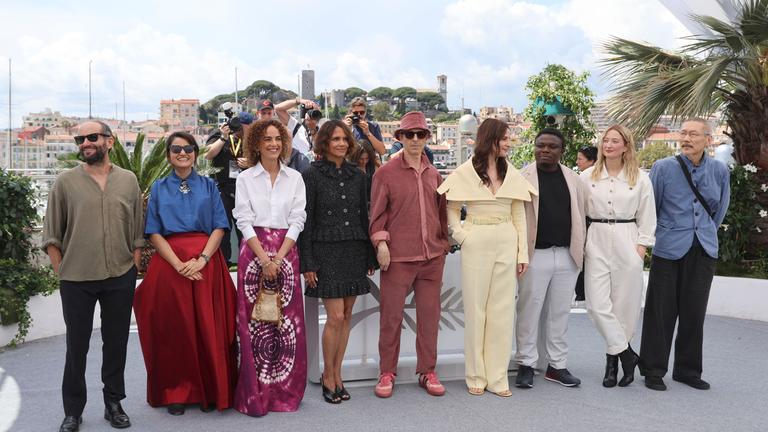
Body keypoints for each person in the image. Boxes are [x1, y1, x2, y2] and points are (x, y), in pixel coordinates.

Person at [42, 120, 143, 432]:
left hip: (120, 275)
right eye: (80, 139)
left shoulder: (128, 180)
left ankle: (114, 404)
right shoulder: (65, 182)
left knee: (116, 344)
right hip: (76, 279)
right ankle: (73, 411)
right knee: (77, 346)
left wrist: (134, 264)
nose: (85, 143)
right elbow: (51, 233)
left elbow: (137, 229)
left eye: (92, 137)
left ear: (109, 141)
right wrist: (61, 270)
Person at [134, 132, 237, 416]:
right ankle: (176, 391)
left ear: (195, 153)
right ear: (168, 154)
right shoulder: (158, 188)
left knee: (209, 327)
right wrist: (178, 264)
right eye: (176, 149)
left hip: (207, 264)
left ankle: (211, 390)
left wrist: (202, 259)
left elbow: (220, 226)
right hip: (170, 265)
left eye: (188, 148)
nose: (183, 153)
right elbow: (153, 231)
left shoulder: (209, 186)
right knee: (175, 330)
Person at [437, 118, 535, 396]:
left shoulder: (511, 173)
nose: (508, 143)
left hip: (506, 239)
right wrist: (462, 236)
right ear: (490, 139)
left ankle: (498, 378)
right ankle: (476, 376)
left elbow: (519, 214)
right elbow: (451, 208)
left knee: (502, 313)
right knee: (476, 310)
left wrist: (522, 253)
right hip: (476, 239)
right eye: (504, 138)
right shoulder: (465, 172)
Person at [639, 118, 730, 391]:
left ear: (708, 140)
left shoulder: (719, 170)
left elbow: (720, 209)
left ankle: (687, 371)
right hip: (669, 247)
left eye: (693, 134)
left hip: (703, 248)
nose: (686, 138)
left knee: (694, 312)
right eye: (683, 133)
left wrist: (704, 232)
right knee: (660, 311)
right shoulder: (663, 167)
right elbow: (652, 209)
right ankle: (653, 370)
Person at [369, 111, 450, 398]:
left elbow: (441, 213)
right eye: (409, 134)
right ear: (400, 137)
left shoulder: (435, 174)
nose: (415, 139)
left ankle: (427, 371)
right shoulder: (385, 173)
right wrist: (381, 244)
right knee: (391, 318)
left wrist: (443, 243)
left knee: (430, 318)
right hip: (398, 258)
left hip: (431, 258)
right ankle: (386, 372)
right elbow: (376, 215)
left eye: (421, 134)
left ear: (427, 137)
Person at [232, 118, 308, 416]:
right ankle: (256, 390)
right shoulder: (245, 179)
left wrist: (279, 257)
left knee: (286, 323)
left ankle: (284, 391)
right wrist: (264, 258)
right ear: (256, 144)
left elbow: (298, 219)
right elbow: (243, 219)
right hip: (254, 254)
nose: (273, 144)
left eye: (278, 138)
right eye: (267, 139)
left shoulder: (295, 178)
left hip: (287, 254)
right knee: (255, 324)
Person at [299, 120, 378, 403]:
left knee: (346, 316)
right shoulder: (311, 175)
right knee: (335, 317)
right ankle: (327, 376)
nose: (342, 144)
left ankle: (337, 374)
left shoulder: (358, 176)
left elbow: (363, 218)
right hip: (325, 253)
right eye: (335, 139)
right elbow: (305, 221)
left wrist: (369, 253)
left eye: (345, 139)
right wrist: (308, 262)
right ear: (324, 143)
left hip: (354, 250)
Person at [580, 124, 656, 388]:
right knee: (596, 305)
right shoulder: (587, 176)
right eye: (605, 140)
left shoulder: (640, 178)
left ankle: (612, 366)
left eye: (615, 141)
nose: (608, 145)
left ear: (626, 146)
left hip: (628, 239)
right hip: (596, 239)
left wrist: (641, 249)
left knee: (625, 307)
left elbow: (648, 215)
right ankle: (628, 354)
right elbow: (578, 212)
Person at [514, 128, 589, 389]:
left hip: (567, 256)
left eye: (552, 146)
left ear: (562, 151)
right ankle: (526, 364)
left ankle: (557, 365)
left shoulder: (574, 179)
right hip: (535, 255)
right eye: (540, 145)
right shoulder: (521, 178)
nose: (545, 150)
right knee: (529, 311)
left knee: (560, 313)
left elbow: (581, 214)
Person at [205, 110, 254, 264]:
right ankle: (223, 263)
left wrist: (250, 163)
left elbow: (264, 162)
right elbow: (207, 154)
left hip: (245, 191)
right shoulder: (220, 133)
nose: (242, 132)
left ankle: (247, 262)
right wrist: (223, 138)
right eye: (240, 128)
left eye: (246, 128)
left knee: (245, 229)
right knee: (222, 229)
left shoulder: (254, 139)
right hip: (222, 188)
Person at [573, 146, 598, 301]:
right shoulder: (583, 177)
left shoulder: (586, 177)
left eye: (580, 159)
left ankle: (582, 292)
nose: (577, 162)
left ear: (592, 161)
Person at [348, 139, 380, 205]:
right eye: (361, 159)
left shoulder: (373, 165)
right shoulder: (350, 168)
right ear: (356, 157)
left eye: (367, 158)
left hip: (371, 204)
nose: (364, 162)